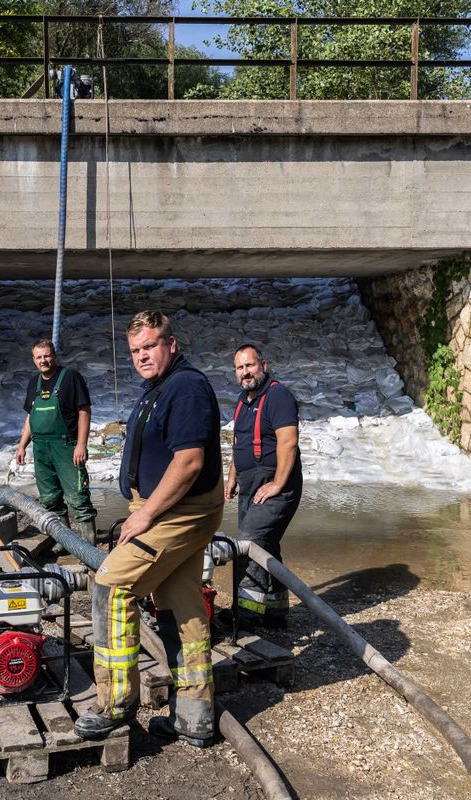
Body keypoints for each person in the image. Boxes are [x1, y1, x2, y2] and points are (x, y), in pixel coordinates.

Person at [74, 310, 224, 748]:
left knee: (111, 584)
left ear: (171, 344)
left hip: (179, 510)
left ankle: (115, 703)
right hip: (168, 507)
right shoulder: (159, 388)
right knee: (180, 605)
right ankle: (194, 718)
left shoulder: (186, 387)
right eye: (135, 350)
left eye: (150, 346)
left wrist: (144, 514)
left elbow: (190, 461)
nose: (142, 356)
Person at [223, 343, 302, 629]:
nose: (246, 372)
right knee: (265, 543)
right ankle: (276, 610)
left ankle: (247, 613)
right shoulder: (243, 402)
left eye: (250, 366)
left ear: (263, 365)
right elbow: (239, 443)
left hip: (275, 482)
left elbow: (288, 441)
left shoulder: (278, 396)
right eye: (240, 368)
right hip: (249, 481)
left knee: (249, 542)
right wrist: (232, 476)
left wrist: (278, 484)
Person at [15, 339, 97, 543]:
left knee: (78, 496)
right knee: (50, 498)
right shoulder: (34, 382)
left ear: (54, 356)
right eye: (39, 357)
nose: (43, 360)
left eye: (47, 356)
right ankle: (64, 542)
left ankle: (89, 545)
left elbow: (84, 411)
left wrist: (81, 444)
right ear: (34, 360)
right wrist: (22, 445)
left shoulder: (70, 377)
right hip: (41, 448)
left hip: (66, 446)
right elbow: (30, 416)